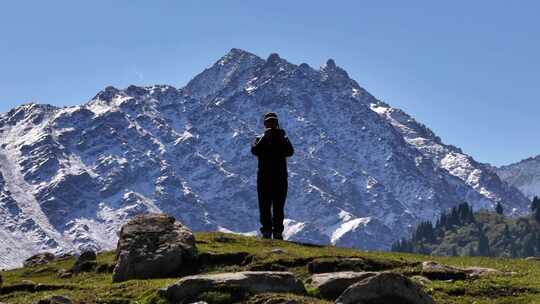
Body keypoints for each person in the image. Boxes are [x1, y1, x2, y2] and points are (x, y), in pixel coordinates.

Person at [251, 112, 294, 239]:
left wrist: (281, 137)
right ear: (265, 124)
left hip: (277, 178)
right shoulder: (260, 139)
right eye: (269, 122)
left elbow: (290, 152)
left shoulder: (283, 138)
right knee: (265, 206)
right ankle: (267, 231)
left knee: (277, 207)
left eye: (273, 122)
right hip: (267, 178)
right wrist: (265, 137)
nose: (271, 125)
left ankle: (276, 232)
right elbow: (255, 150)